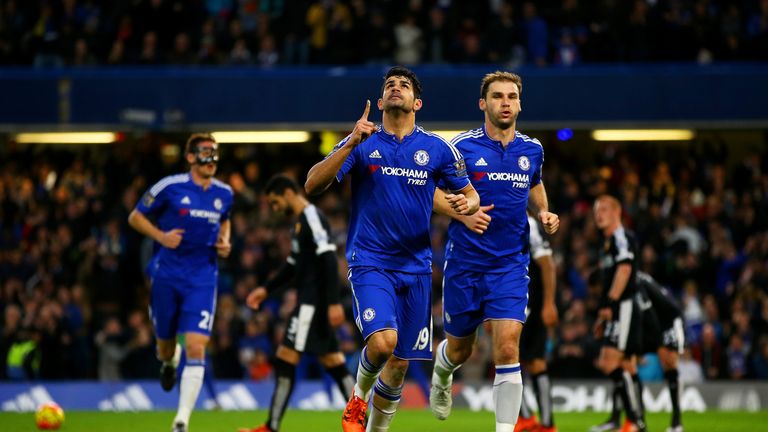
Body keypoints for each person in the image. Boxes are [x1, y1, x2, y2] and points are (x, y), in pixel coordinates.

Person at [305, 65, 480, 432]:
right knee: (384, 344)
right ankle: (357, 396)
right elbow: (312, 184)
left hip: (416, 267)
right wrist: (351, 141)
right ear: (381, 100)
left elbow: (469, 194)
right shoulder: (363, 141)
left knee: (399, 365)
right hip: (370, 262)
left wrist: (468, 207)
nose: (396, 87)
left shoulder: (436, 148)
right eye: (389, 85)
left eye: (404, 85)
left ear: (418, 102)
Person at [428, 71, 560, 432]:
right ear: (483, 104)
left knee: (507, 348)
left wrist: (544, 211)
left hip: (510, 266)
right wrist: (462, 214)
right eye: (498, 96)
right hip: (465, 265)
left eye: (512, 96)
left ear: (519, 103)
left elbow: (535, 183)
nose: (506, 102)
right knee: (460, 351)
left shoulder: (532, 150)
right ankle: (442, 374)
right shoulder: (461, 148)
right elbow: (429, 192)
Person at [128, 133, 233, 432]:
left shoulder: (224, 193)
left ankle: (182, 419)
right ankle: (168, 361)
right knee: (165, 346)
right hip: (167, 275)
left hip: (202, 278)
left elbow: (225, 219)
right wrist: (161, 237)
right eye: (204, 153)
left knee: (197, 346)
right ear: (190, 157)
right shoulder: (169, 187)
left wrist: (225, 240)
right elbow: (135, 217)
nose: (211, 159)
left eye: (214, 153)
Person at [239, 174, 356, 432]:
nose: (274, 208)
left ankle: (272, 426)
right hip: (312, 302)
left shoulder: (312, 217)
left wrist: (334, 303)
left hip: (312, 304)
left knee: (285, 359)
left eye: (275, 202)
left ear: (288, 193)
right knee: (334, 362)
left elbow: (328, 259)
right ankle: (362, 423)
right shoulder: (300, 224)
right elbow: (293, 265)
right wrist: (265, 290)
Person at [594, 271, 685, 432]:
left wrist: (658, 345)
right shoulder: (625, 280)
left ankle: (676, 422)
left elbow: (648, 311)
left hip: (667, 321)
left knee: (669, 364)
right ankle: (633, 419)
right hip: (645, 323)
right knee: (623, 364)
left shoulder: (631, 283)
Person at [590, 195, 646, 432]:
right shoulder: (606, 242)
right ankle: (631, 420)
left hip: (623, 306)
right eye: (596, 210)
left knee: (609, 362)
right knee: (626, 365)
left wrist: (610, 305)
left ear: (617, 212)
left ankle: (635, 420)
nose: (598, 214)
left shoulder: (621, 237)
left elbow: (624, 269)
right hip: (618, 307)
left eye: (603, 209)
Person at [516, 212, 559, 432]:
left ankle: (545, 424)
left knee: (533, 361)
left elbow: (548, 265)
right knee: (511, 359)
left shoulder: (529, 224)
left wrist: (549, 303)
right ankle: (527, 419)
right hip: (514, 302)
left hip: (531, 303)